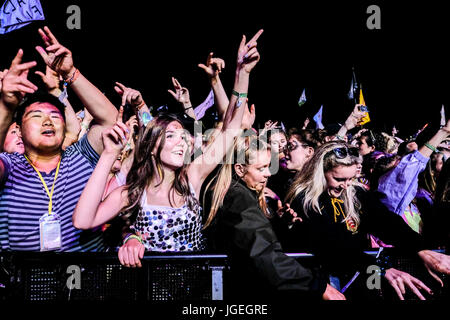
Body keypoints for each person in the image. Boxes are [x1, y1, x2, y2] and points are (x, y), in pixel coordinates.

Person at [72, 30, 264, 267]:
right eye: (171, 135)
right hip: (149, 289)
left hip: (195, 290)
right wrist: (109, 154)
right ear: (152, 147)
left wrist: (242, 73)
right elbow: (82, 220)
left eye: (184, 136)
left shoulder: (193, 178)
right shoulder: (132, 193)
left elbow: (232, 129)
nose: (182, 140)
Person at [0, 26, 118, 251]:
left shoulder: (81, 157)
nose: (48, 121)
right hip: (25, 284)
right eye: (37, 116)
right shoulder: (9, 166)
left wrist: (71, 72)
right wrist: (6, 105)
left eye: (55, 116)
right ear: (20, 131)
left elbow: (110, 121)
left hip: (88, 281)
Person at [285, 141, 450, 300]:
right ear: (320, 172)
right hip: (324, 278)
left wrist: (420, 249)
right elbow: (331, 243)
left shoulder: (354, 192)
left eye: (350, 179)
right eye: (339, 179)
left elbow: (385, 221)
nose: (346, 185)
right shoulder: (303, 198)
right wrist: (380, 269)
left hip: (357, 272)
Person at [203, 133, 344, 300]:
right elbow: (262, 251)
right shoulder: (238, 197)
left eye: (269, 166)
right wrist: (317, 285)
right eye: (261, 168)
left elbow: (248, 238)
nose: (268, 173)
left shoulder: (240, 192)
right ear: (240, 169)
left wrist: (279, 225)